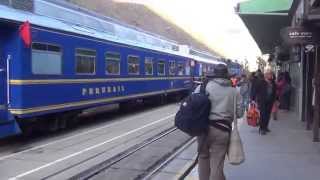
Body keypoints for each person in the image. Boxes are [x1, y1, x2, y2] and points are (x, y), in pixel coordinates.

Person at [194, 64, 243, 180]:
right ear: (227, 76)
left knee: (203, 157)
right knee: (217, 163)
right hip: (222, 131)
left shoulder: (203, 87)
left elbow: (194, 103)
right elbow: (240, 113)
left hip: (203, 129)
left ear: (214, 75)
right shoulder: (234, 91)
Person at [251, 70, 276, 135]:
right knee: (263, 115)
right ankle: (262, 129)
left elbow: (274, 92)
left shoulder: (273, 83)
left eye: (271, 74)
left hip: (270, 101)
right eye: (269, 74)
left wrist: (276, 100)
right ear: (266, 75)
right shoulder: (261, 82)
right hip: (262, 101)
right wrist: (253, 99)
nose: (271, 76)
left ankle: (265, 127)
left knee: (268, 115)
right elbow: (255, 90)